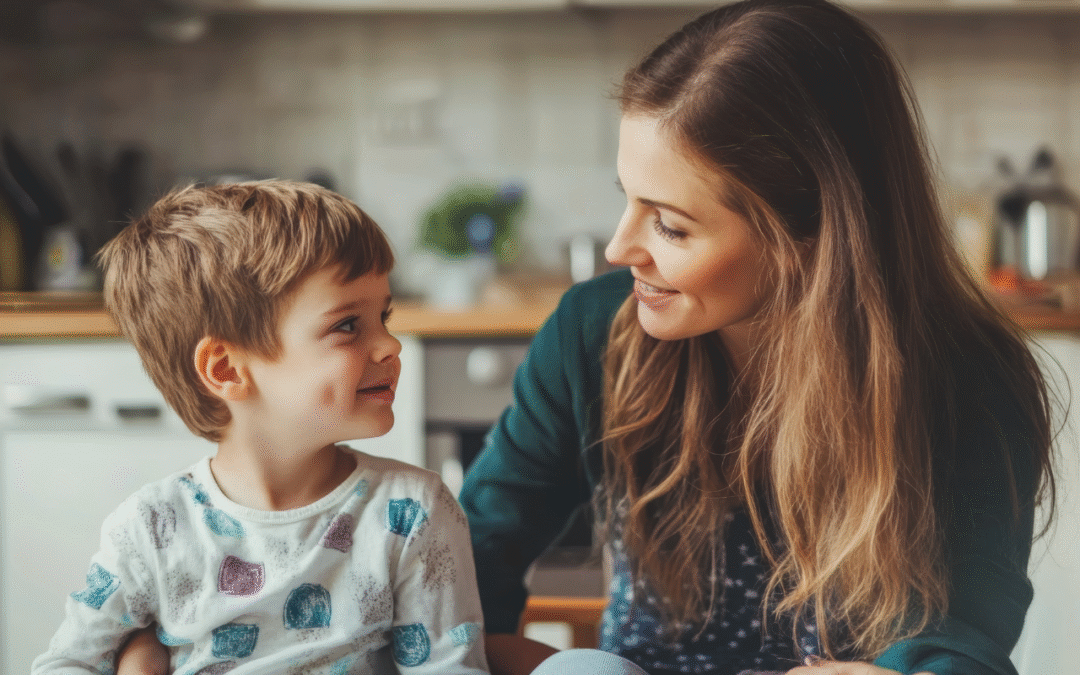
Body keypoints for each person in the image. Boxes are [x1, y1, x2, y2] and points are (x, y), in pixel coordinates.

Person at [116, 1, 1058, 674]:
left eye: (673, 225)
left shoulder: (971, 380)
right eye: (628, 201)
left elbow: (970, 633)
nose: (621, 248)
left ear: (811, 232)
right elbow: (469, 561)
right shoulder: (593, 334)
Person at [32, 180, 489, 675]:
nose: (390, 345)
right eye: (348, 326)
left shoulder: (413, 512)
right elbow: (64, 664)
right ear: (226, 370)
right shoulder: (150, 530)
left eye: (384, 315)